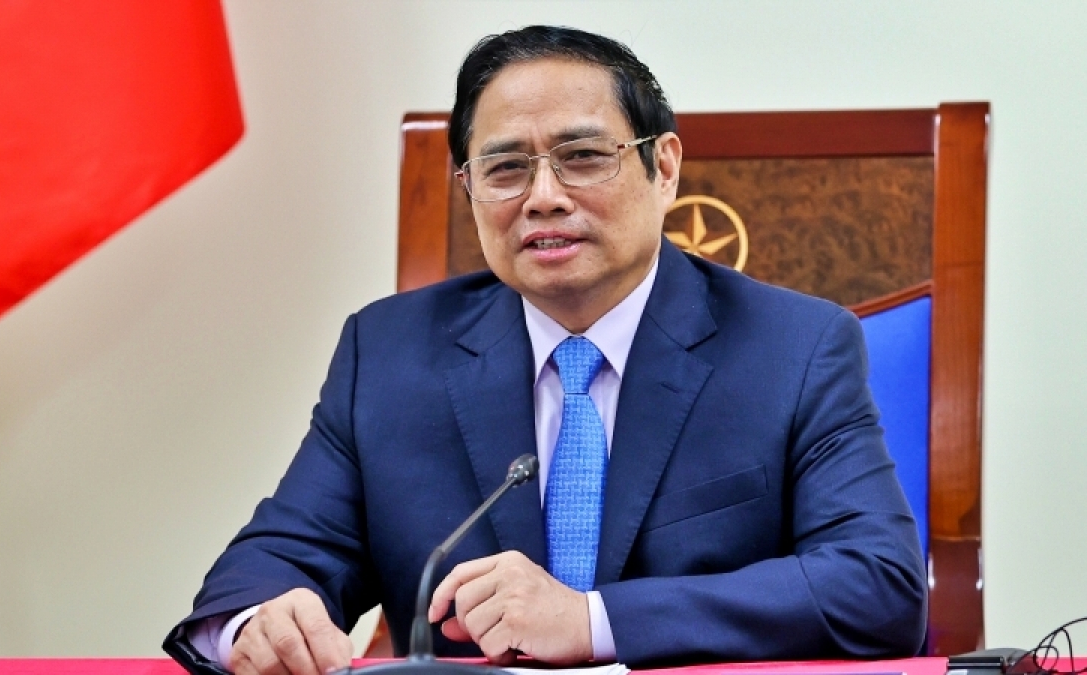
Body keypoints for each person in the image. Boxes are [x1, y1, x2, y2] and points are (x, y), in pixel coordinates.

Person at [164, 25, 927, 675]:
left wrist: (592, 619)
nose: (543, 197)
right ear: (469, 190)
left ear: (664, 168)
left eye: (584, 156)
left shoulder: (794, 346)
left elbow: (877, 586)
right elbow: (267, 567)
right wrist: (260, 622)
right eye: (504, 169)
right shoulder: (389, 353)